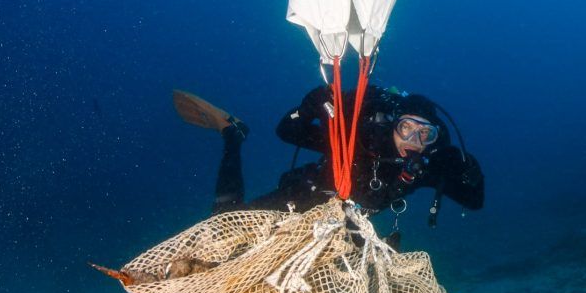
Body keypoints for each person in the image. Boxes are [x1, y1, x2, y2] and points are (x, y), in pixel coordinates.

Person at [173, 86, 484, 224]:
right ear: (391, 126)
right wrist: (308, 107)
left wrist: (472, 171)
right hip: (301, 200)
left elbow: (473, 201)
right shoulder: (355, 141)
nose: (414, 140)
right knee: (224, 223)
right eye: (407, 128)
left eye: (425, 134)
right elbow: (287, 132)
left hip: (341, 233)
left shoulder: (422, 167)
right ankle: (233, 134)